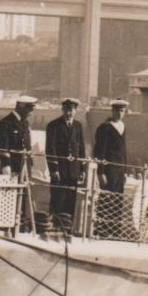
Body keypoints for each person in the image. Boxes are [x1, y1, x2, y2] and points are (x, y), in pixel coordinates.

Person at [44, 98, 87, 234]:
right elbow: (50, 149)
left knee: (70, 200)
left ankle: (67, 229)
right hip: (60, 170)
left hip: (73, 171)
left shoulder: (78, 126)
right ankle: (55, 228)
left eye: (72, 110)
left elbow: (81, 149)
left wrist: (82, 169)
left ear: (75, 111)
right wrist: (54, 170)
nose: (69, 112)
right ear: (63, 110)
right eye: (67, 109)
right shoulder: (53, 126)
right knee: (58, 199)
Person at [93, 98, 131, 238]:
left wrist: (125, 170)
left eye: (122, 111)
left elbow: (124, 151)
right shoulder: (105, 128)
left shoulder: (122, 126)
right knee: (107, 198)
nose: (120, 113)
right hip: (109, 169)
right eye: (117, 110)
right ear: (112, 111)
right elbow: (100, 151)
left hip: (120, 169)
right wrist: (100, 171)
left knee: (117, 199)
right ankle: (102, 230)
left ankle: (115, 230)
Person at [0, 94, 37, 176]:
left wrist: (30, 165)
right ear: (20, 107)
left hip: (25, 168)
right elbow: (2, 149)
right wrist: (6, 166)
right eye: (29, 110)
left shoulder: (25, 123)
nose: (31, 113)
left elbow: (27, 146)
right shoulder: (5, 123)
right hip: (11, 168)